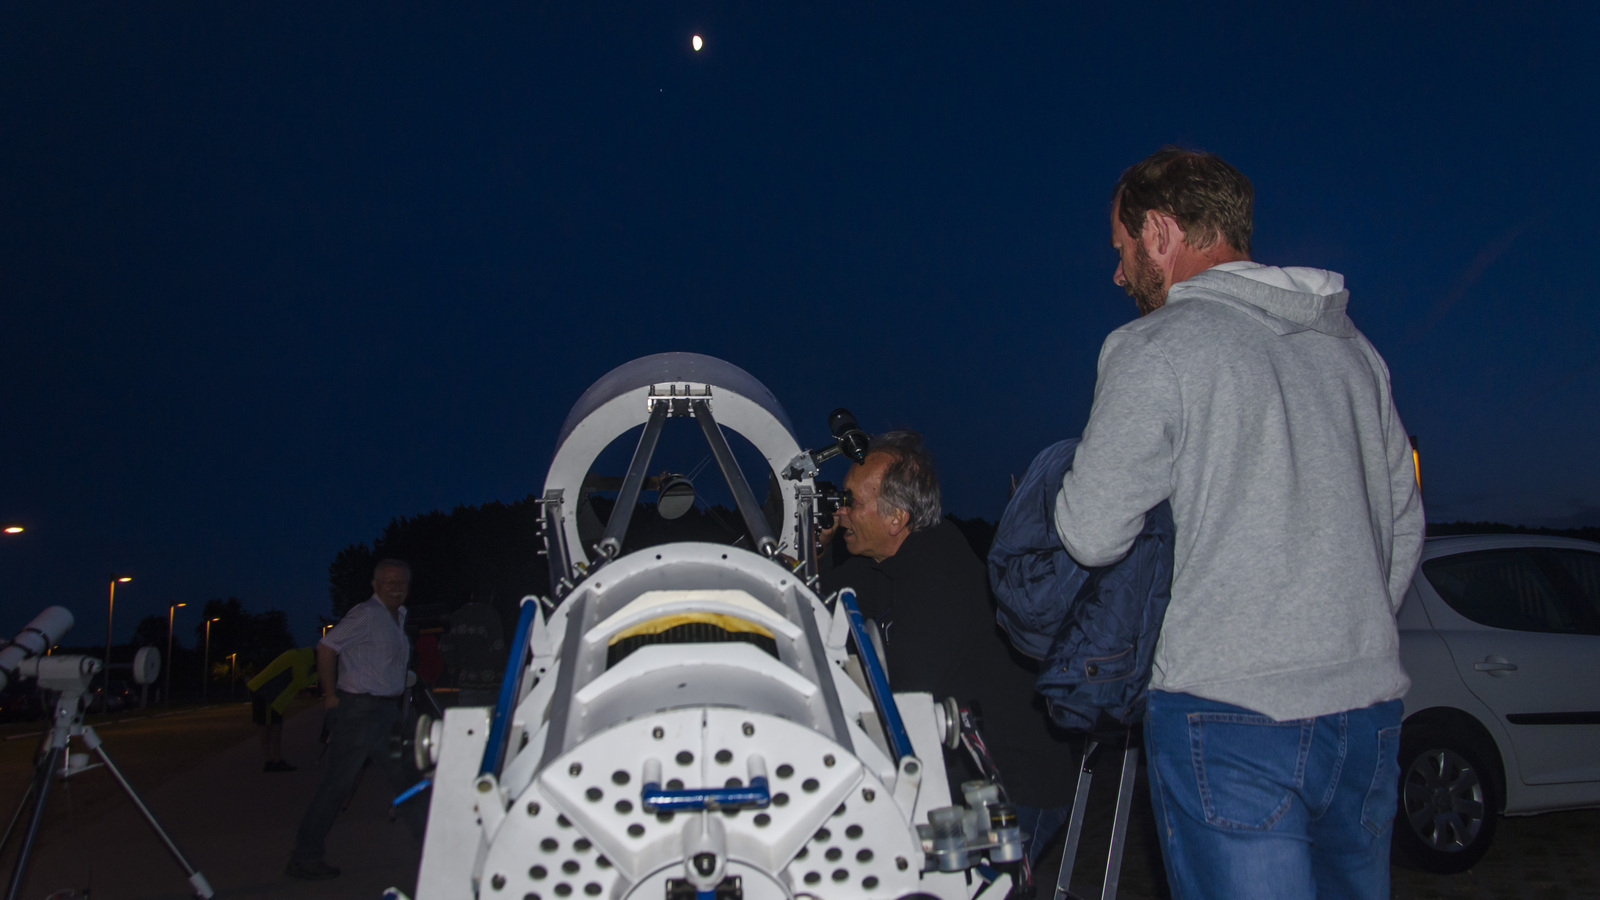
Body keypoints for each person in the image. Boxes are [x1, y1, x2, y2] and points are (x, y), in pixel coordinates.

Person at [1053, 147, 1423, 899]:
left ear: (1160, 232)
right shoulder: (1354, 352)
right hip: (1366, 715)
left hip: (1230, 720)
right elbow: (1404, 524)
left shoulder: (1155, 348)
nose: (1119, 274)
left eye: (1122, 250)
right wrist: (1340, 633)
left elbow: (1091, 530)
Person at [821, 431, 1075, 870]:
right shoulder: (876, 568)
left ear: (896, 517)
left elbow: (901, 696)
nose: (840, 512)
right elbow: (817, 609)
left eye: (851, 503)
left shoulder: (941, 571)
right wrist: (818, 545)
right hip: (952, 781)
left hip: (1010, 787)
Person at [286, 559, 423, 880]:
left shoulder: (399, 617)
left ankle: (432, 847)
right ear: (375, 585)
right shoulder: (365, 614)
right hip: (358, 713)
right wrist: (330, 695)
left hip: (386, 713)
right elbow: (326, 647)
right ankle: (304, 859)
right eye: (388, 581)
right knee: (336, 787)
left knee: (407, 780)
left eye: (401, 582)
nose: (395, 586)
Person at [246, 646, 318, 772]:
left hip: (268, 693)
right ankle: (272, 761)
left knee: (273, 726)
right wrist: (320, 675)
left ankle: (273, 760)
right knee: (269, 726)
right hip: (266, 693)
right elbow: (301, 682)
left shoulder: (301, 656)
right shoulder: (301, 658)